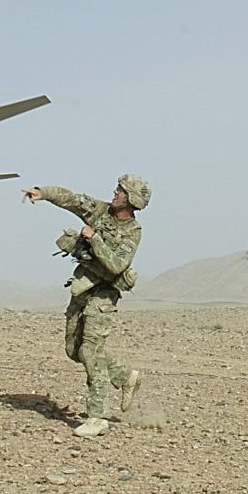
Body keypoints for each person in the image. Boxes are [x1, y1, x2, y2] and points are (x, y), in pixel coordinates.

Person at [24, 174, 149, 437]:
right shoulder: (100, 211)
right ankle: (125, 377)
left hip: (104, 295)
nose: (114, 193)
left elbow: (117, 265)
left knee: (91, 352)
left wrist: (94, 239)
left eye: (120, 191)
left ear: (131, 201)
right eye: (117, 188)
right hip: (82, 287)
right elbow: (72, 199)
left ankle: (97, 417)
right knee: (74, 350)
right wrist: (43, 192)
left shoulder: (133, 232)